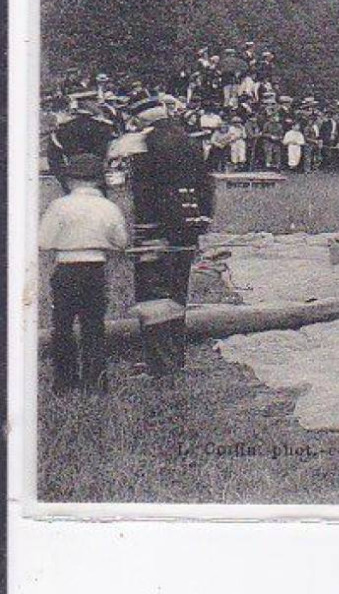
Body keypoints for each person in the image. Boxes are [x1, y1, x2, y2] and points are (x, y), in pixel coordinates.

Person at [38, 152, 129, 392]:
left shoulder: (59, 206)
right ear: (99, 180)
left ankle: (64, 381)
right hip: (94, 268)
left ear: (69, 181)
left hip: (66, 267)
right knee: (93, 326)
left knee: (63, 326)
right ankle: (96, 382)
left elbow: (44, 241)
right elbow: (121, 241)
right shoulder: (108, 207)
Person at [128, 96, 215, 310]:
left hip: (156, 220)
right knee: (179, 279)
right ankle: (178, 331)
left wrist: (141, 225)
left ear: (142, 120)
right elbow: (205, 181)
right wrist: (204, 215)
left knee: (153, 282)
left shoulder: (143, 143)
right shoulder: (188, 138)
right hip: (189, 216)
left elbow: (143, 189)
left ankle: (158, 337)